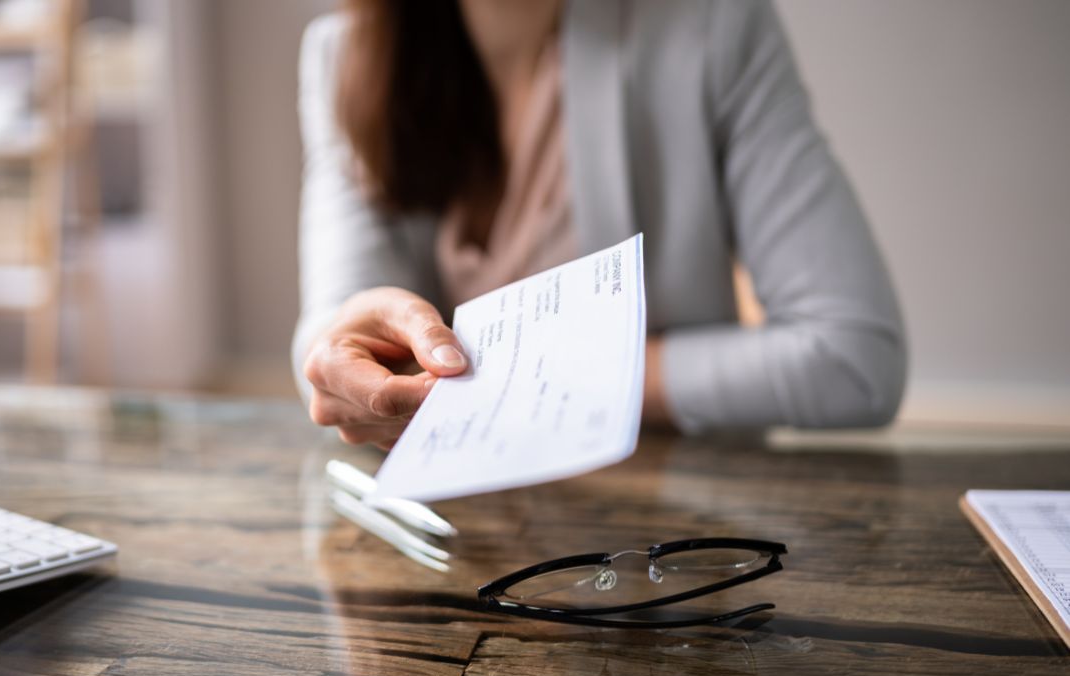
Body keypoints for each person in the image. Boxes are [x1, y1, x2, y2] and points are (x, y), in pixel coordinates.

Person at [293, 0, 906, 449]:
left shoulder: (711, 26)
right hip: (455, 535)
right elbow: (329, 334)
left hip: (665, 533)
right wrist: (342, 354)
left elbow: (853, 357)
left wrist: (534, 382)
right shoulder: (340, 57)